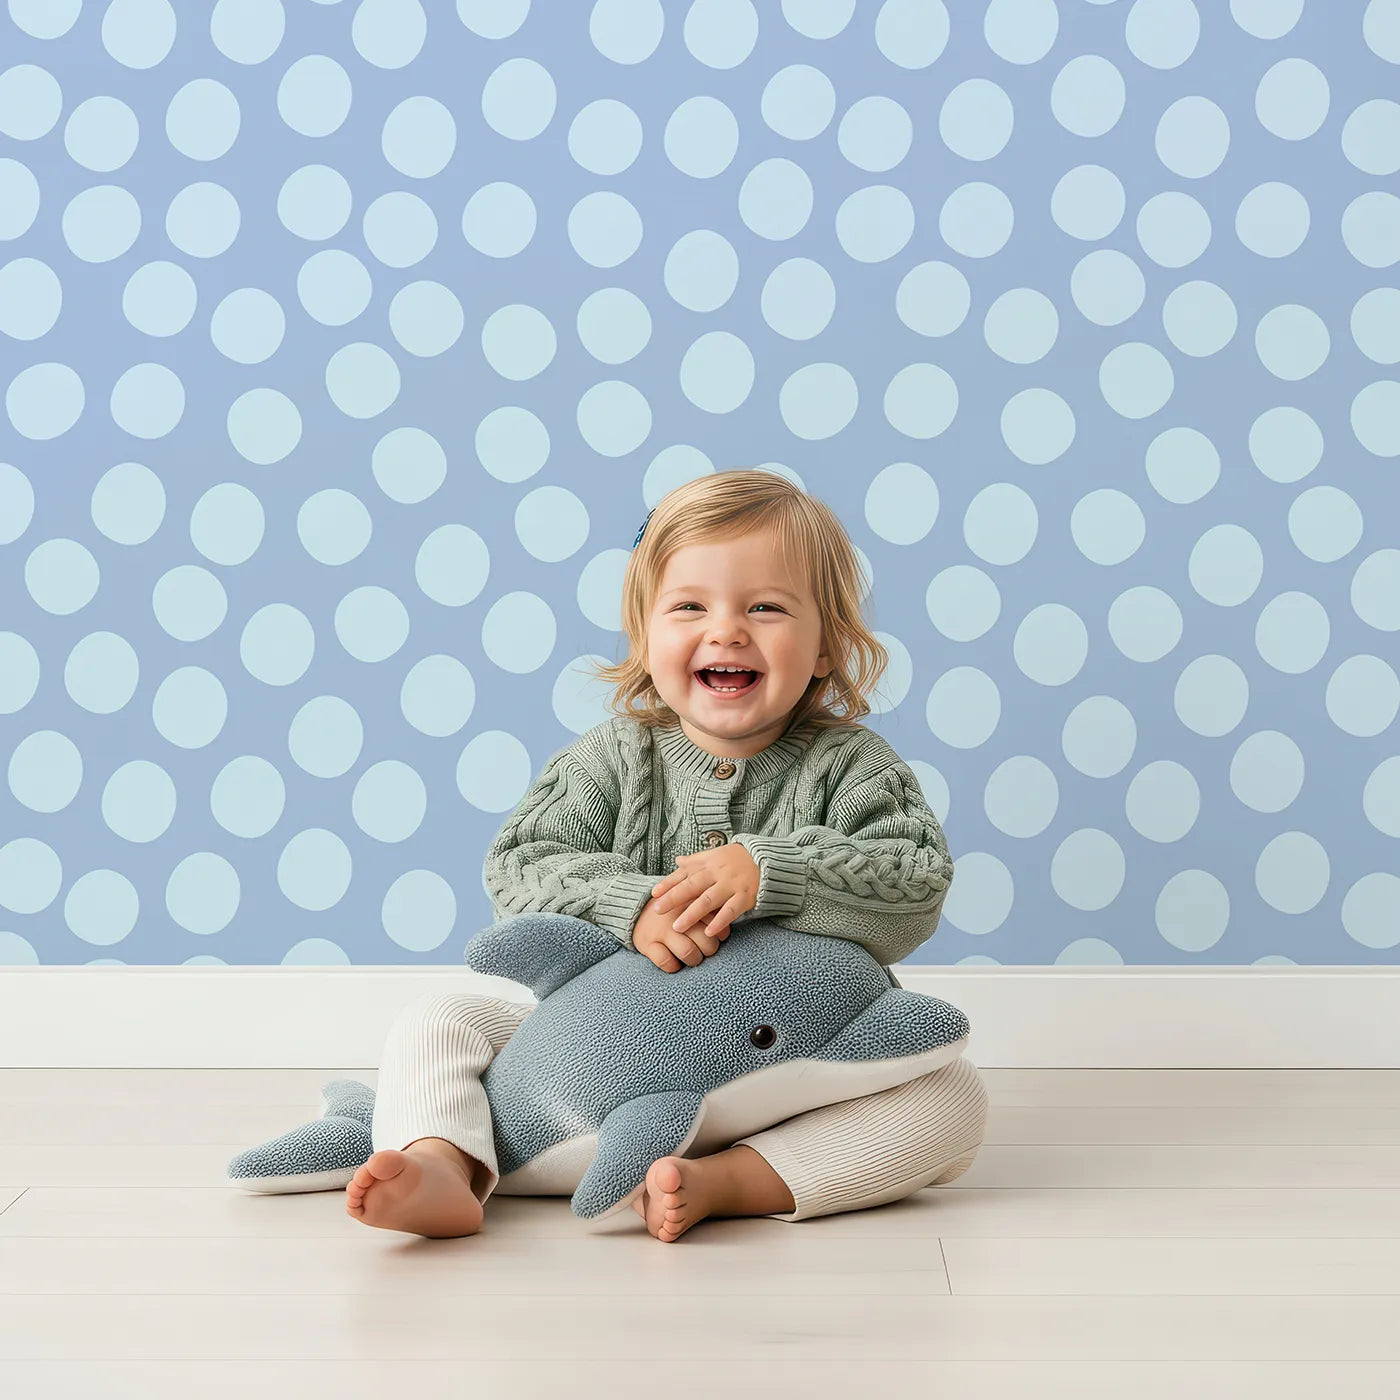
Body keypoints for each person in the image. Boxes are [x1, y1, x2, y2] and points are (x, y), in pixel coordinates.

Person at [346, 469, 989, 1241]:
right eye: (691, 607)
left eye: (766, 607)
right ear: (646, 637)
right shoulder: (613, 758)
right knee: (441, 1016)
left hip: (791, 1073)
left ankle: (731, 1181)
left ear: (826, 648)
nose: (727, 631)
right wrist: (631, 905)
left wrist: (775, 871)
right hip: (601, 1064)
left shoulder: (854, 766)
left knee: (953, 1097)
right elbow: (518, 868)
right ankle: (443, 1162)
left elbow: (916, 882)